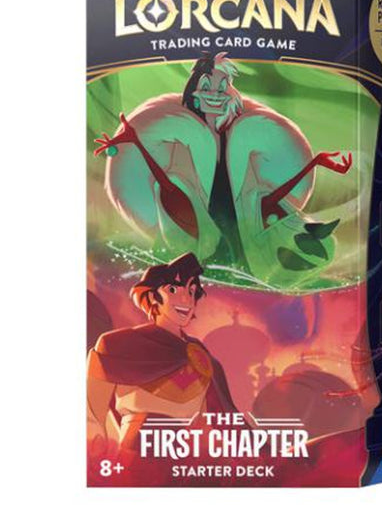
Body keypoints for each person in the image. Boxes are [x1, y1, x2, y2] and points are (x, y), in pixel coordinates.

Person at [94, 53, 352, 287]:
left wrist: (314, 163)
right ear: (195, 92)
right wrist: (136, 142)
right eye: (207, 87)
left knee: (267, 249)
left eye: (222, 86)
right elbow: (171, 187)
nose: (215, 94)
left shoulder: (238, 139)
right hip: (204, 238)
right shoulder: (186, 139)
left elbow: (265, 198)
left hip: (244, 236)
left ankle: (301, 256)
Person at [87, 253, 238, 454]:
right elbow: (91, 415)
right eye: (173, 290)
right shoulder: (117, 345)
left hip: (186, 459)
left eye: (191, 291)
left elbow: (218, 422)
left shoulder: (200, 356)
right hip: (137, 457)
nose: (186, 299)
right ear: (152, 297)